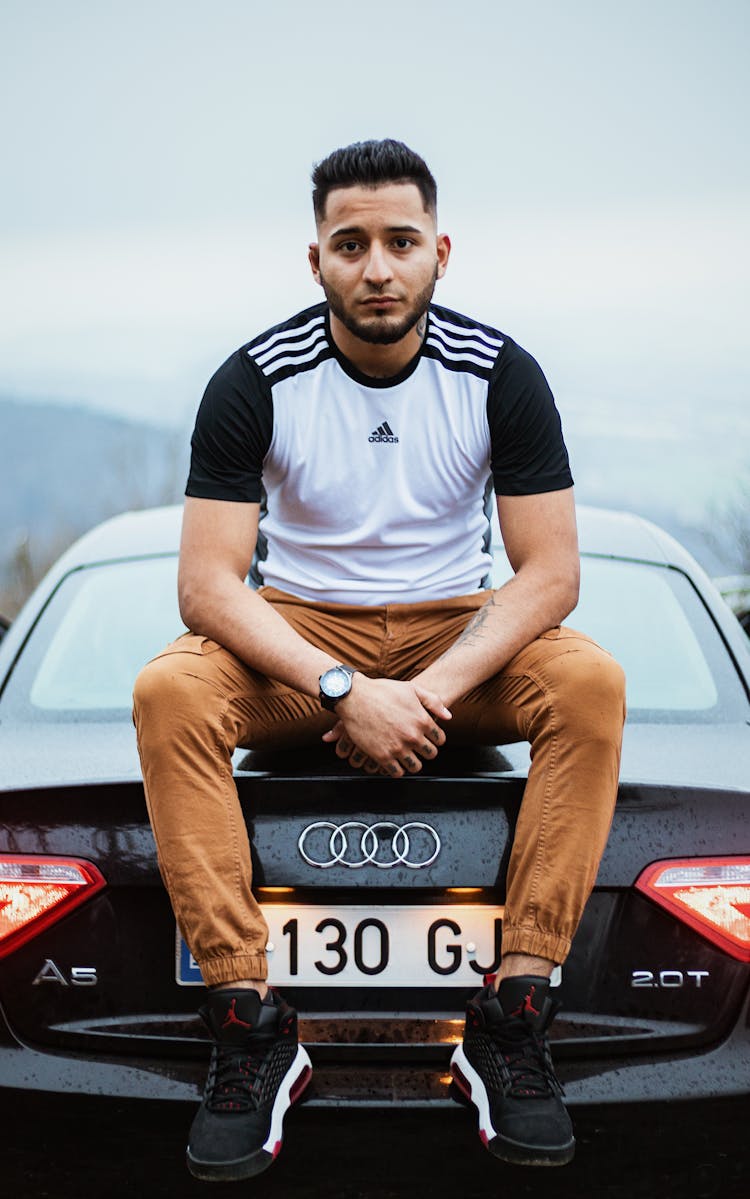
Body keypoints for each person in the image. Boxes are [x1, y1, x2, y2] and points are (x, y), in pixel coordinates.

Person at [133, 138, 626, 1182]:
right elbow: (209, 586)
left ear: (440, 251)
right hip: (300, 636)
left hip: (460, 630)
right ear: (315, 259)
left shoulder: (500, 372)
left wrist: (425, 692)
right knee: (168, 688)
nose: (377, 266)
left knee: (589, 680)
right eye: (350, 243)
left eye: (400, 241)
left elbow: (549, 574)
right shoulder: (254, 378)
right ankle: (250, 1018)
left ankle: (514, 1010)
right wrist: (343, 689)